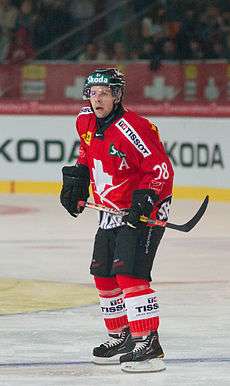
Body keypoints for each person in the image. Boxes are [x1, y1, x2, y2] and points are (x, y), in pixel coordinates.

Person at [60, 68, 174, 373]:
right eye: (93, 93)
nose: (98, 99)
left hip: (144, 210)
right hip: (111, 211)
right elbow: (87, 152)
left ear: (117, 96)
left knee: (130, 274)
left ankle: (149, 342)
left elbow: (161, 169)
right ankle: (122, 336)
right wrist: (79, 179)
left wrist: (147, 199)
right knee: (103, 275)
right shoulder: (84, 120)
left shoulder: (134, 128)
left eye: (105, 94)